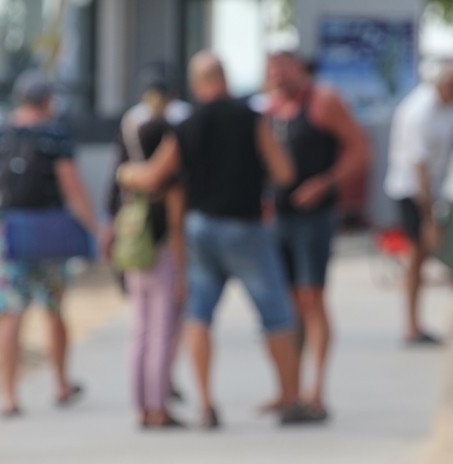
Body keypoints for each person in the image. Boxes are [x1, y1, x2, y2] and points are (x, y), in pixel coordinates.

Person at [117, 51, 320, 427]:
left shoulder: (187, 124)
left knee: (199, 315)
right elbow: (284, 172)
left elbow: (154, 175)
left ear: (196, 85)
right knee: (277, 315)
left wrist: (126, 174)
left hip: (200, 229)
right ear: (225, 79)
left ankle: (206, 404)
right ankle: (290, 399)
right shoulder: (251, 118)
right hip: (246, 227)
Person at [0, 71, 99, 417]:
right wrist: (96, 229)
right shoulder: (56, 135)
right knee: (54, 310)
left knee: (9, 314)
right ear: (47, 101)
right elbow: (72, 188)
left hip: (7, 232)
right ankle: (61, 384)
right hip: (49, 234)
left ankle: (9, 396)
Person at [263, 51, 369, 418]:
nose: (278, 79)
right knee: (287, 304)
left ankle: (316, 389)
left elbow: (360, 150)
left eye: (283, 71)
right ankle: (289, 389)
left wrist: (325, 183)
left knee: (312, 299)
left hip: (315, 217)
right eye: (272, 73)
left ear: (298, 69)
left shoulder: (323, 101)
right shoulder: (272, 109)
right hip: (280, 217)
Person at [108, 82, 186, 428]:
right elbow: (176, 227)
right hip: (163, 253)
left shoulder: (129, 176)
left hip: (135, 256)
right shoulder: (168, 183)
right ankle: (158, 405)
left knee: (140, 332)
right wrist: (183, 272)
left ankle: (142, 405)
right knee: (161, 334)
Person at [385, 61, 453, 346]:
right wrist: (429, 218)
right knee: (416, 256)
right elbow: (418, 168)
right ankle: (411, 325)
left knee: (431, 253)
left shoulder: (451, 107)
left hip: (436, 190)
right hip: (413, 191)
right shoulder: (418, 111)